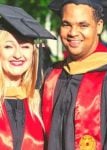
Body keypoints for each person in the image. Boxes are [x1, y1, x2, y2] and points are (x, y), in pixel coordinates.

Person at [42, 0, 107, 149]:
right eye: (66, 24)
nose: (73, 32)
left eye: (83, 25)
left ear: (99, 26)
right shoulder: (53, 75)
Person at [0, 4, 55, 150]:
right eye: (8, 46)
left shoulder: (40, 102)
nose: (18, 54)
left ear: (33, 53)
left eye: (25, 46)